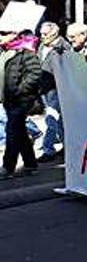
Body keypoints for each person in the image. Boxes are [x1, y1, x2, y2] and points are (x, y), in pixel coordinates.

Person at [1, 32, 42, 178]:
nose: (1, 36)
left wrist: (20, 90)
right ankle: (31, 164)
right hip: (9, 101)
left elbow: (35, 74)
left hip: (21, 100)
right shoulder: (7, 52)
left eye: (4, 34)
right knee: (20, 133)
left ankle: (8, 167)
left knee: (12, 131)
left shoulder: (27, 53)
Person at [36, 22, 70, 162]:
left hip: (56, 88)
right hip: (44, 88)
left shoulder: (63, 47)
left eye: (45, 34)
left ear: (54, 34)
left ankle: (48, 149)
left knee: (51, 118)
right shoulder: (42, 46)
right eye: (41, 34)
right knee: (58, 120)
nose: (42, 37)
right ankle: (67, 146)